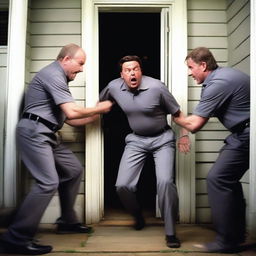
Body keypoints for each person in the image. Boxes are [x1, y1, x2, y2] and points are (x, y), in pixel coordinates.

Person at [0, 43, 113, 255]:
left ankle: (67, 222)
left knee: (73, 171)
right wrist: (100, 107)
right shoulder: (53, 74)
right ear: (65, 60)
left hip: (49, 134)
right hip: (34, 132)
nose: (81, 69)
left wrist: (98, 115)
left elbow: (71, 120)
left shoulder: (59, 79)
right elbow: (72, 112)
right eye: (80, 64)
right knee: (47, 182)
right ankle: (16, 238)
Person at [99, 55, 190, 248]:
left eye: (136, 68)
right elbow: (101, 104)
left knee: (165, 182)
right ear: (121, 74)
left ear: (141, 71)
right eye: (128, 70)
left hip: (162, 139)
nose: (133, 72)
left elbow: (178, 114)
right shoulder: (114, 87)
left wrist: (183, 135)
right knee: (122, 185)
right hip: (136, 140)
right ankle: (137, 215)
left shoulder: (157, 87)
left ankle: (171, 232)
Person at [172, 47, 250, 253]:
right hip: (242, 132)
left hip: (248, 133)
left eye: (191, 68)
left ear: (203, 65)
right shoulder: (225, 75)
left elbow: (195, 124)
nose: (190, 73)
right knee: (228, 180)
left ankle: (227, 241)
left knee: (218, 179)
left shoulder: (217, 84)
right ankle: (237, 235)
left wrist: (175, 116)